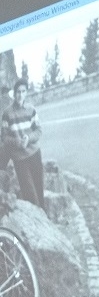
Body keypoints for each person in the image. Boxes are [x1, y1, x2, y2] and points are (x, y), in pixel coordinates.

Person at [1, 78, 45, 209]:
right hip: (19, 158)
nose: (20, 95)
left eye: (23, 91)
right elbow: (4, 137)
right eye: (18, 92)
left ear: (26, 92)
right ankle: (34, 218)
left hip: (34, 153)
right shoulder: (7, 113)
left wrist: (28, 138)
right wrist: (17, 142)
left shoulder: (31, 109)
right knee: (29, 193)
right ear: (14, 94)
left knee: (39, 189)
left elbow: (39, 130)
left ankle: (44, 216)